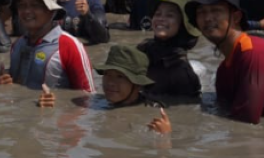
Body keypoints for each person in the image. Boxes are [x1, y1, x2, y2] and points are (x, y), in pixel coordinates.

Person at [34, 45, 173, 133]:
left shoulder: (153, 111)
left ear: (137, 84)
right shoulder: (97, 101)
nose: (111, 82)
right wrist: (47, 107)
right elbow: (67, 111)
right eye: (107, 74)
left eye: (120, 77)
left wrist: (165, 137)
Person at [0, 0, 95, 92]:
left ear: (52, 11)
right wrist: (5, 84)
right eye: (22, 5)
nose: (27, 11)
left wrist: (54, 105)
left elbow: (88, 97)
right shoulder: (17, 45)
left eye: (35, 5)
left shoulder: (69, 46)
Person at [137, 0, 203, 103]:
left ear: (183, 25)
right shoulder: (144, 48)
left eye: (170, 15)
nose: (161, 19)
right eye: (157, 14)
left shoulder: (182, 73)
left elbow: (186, 113)